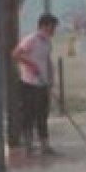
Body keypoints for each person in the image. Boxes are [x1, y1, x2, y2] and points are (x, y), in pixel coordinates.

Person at [11, 13, 58, 156]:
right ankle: (29, 146)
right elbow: (16, 54)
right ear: (44, 26)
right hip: (29, 83)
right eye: (52, 27)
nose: (53, 30)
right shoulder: (31, 39)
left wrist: (51, 80)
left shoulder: (47, 42)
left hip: (43, 83)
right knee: (29, 114)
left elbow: (47, 61)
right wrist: (31, 63)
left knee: (43, 114)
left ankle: (45, 145)